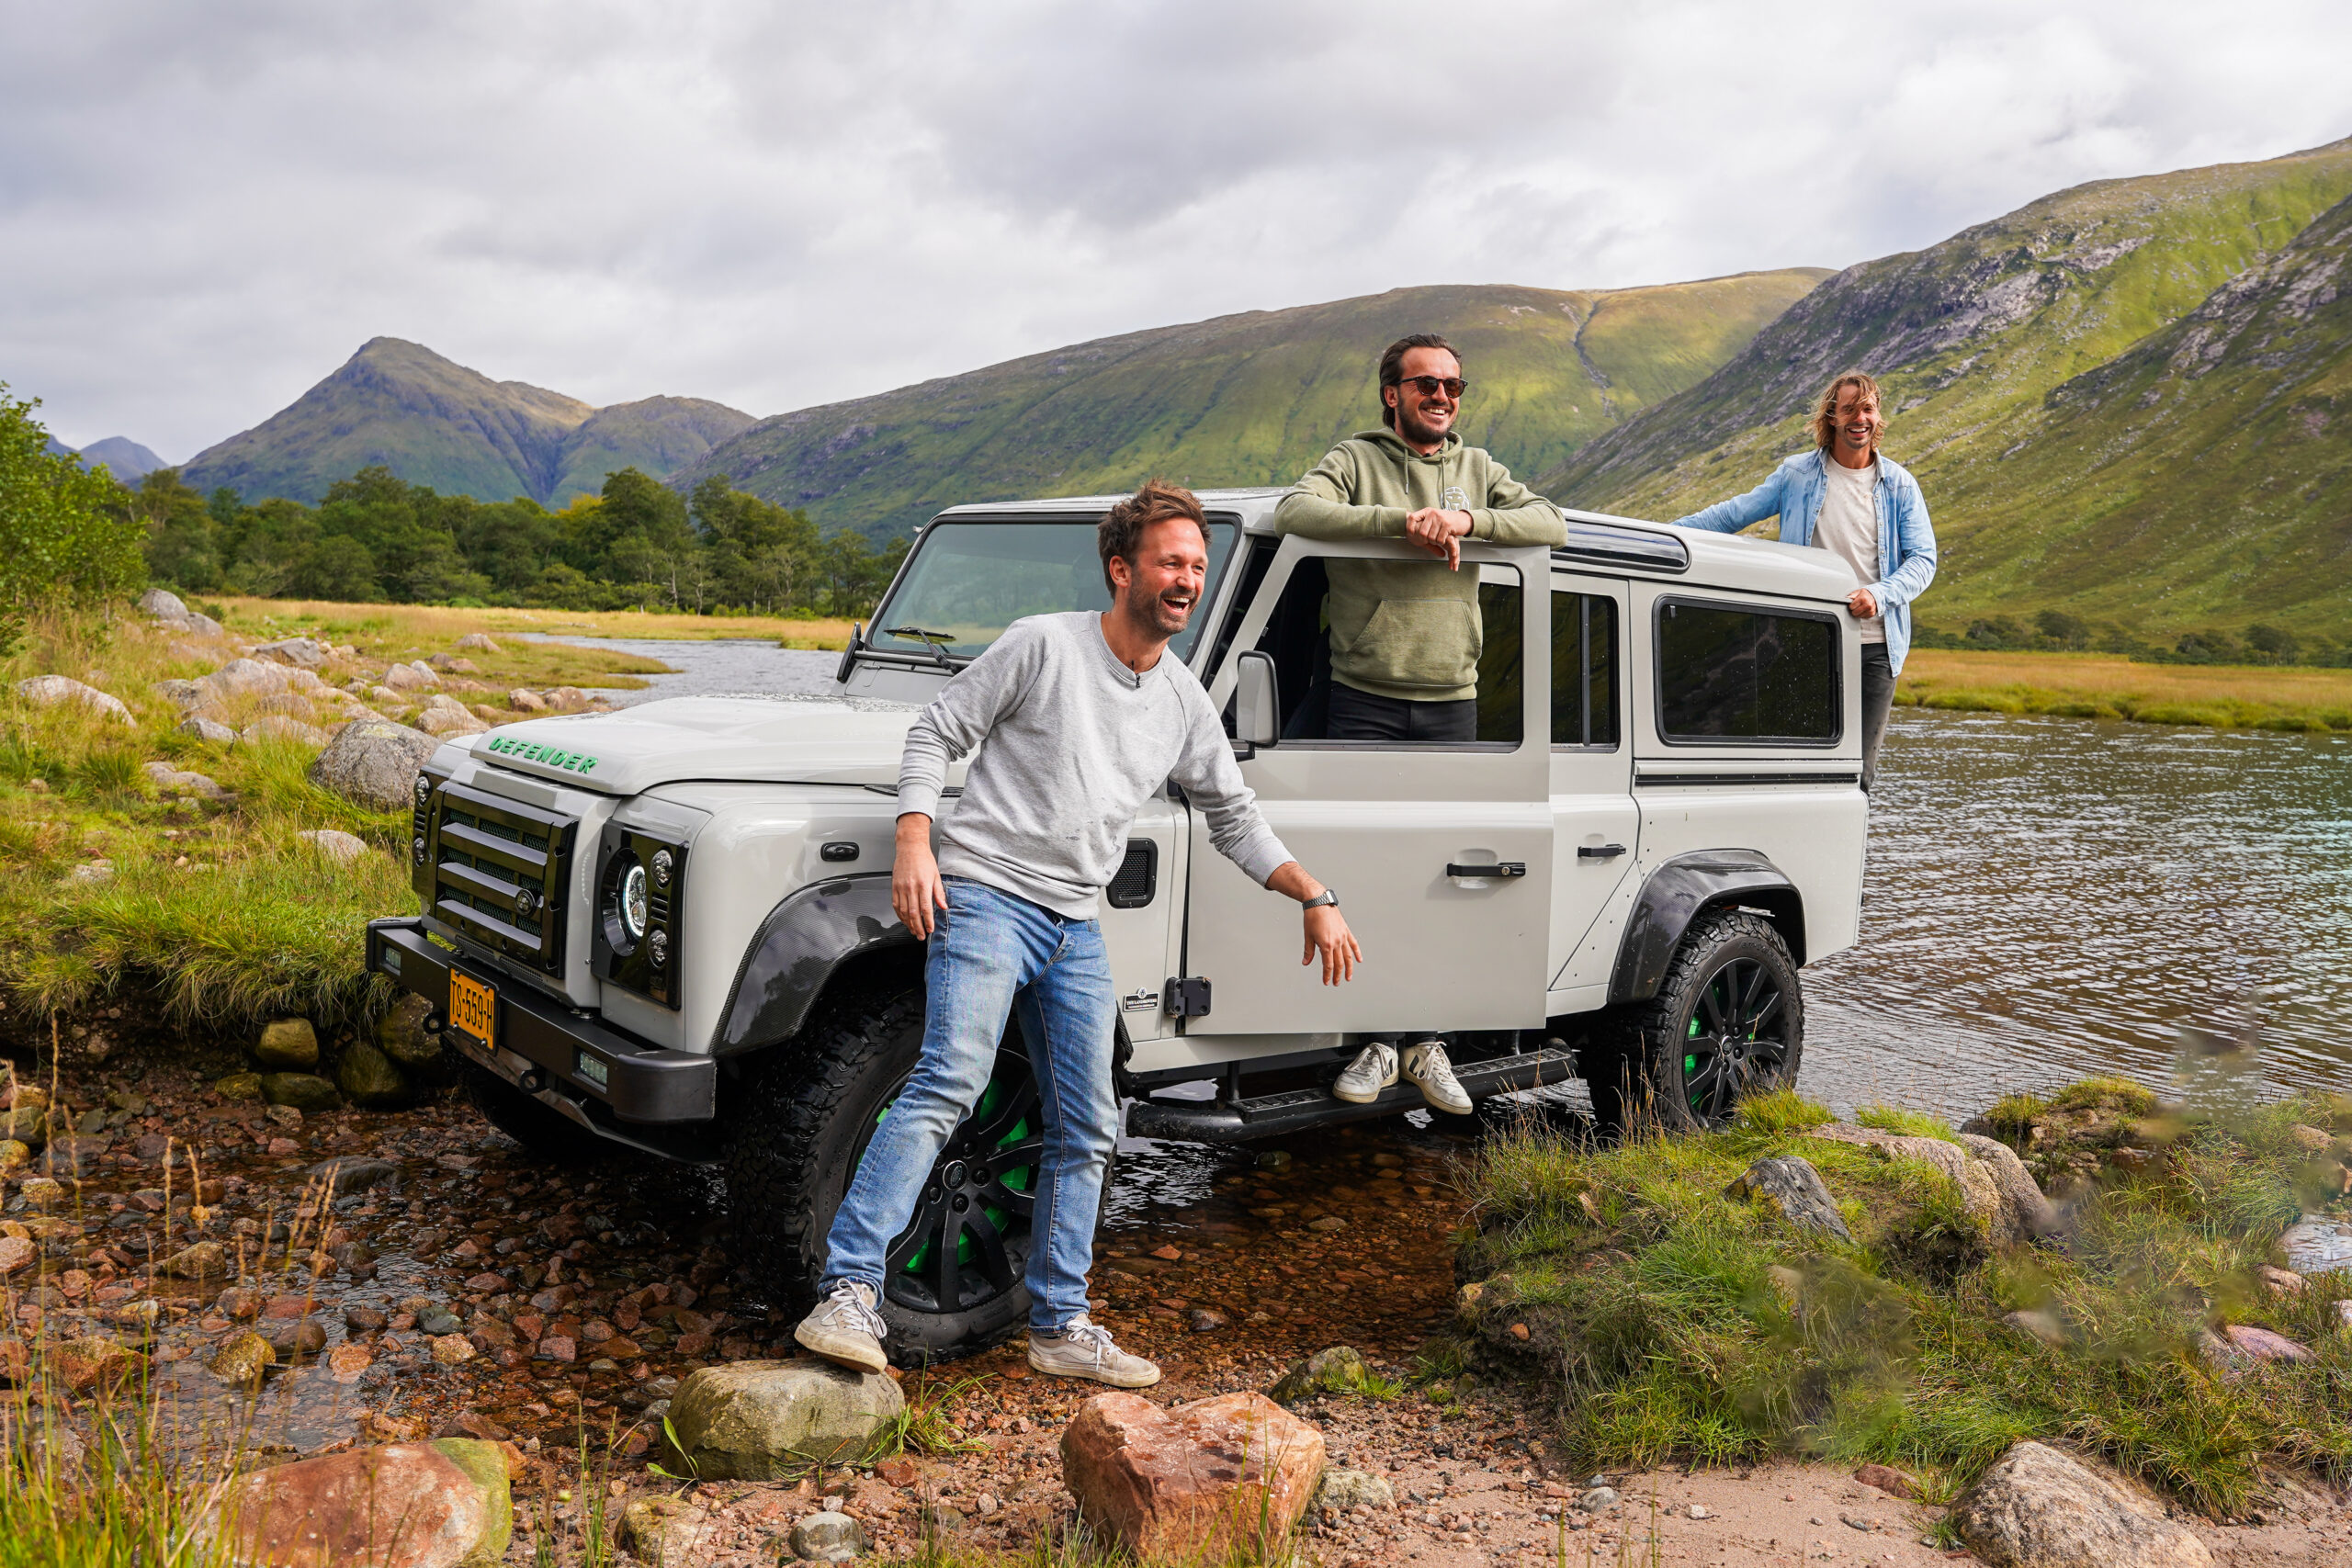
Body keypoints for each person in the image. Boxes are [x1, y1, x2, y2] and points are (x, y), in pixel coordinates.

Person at [793, 479, 1364, 1389]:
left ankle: (1060, 1324)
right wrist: (914, 837)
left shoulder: (1180, 697)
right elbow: (936, 732)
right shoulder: (1042, 645)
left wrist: (1312, 892)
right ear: (1121, 569)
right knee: (948, 1078)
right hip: (984, 898)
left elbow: (1232, 816)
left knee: (1090, 1122)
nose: (1185, 579)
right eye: (1170, 562)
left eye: (1196, 567)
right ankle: (849, 1294)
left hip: (1071, 924)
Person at [1273, 332, 1565, 1117]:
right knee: (1363, 870)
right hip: (1361, 695)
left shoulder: (1479, 470)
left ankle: (1428, 1043)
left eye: (1453, 386)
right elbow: (1295, 509)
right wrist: (1405, 525)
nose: (1442, 397)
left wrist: (1465, 523)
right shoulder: (1354, 458)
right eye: (1426, 384)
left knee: (1446, 875)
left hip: (1454, 703)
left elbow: (1549, 523)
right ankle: (1371, 1042)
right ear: (1391, 393)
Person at [1668, 370, 1938, 791]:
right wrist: (1660, 536)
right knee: (1797, 765)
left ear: (1877, 416)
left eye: (1867, 409)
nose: (1859, 418)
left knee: (1859, 776)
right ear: (1831, 415)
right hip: (1804, 642)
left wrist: (1878, 595)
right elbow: (1729, 516)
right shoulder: (1797, 475)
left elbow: (1923, 560)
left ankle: (1846, 858)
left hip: (1875, 649)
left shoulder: (1899, 485)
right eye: (1849, 409)